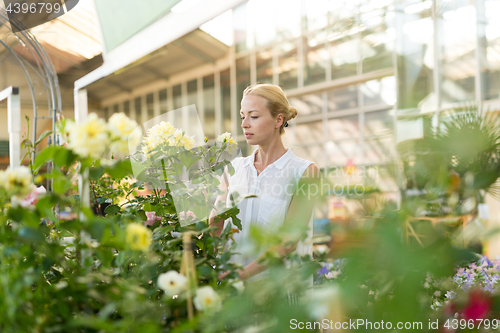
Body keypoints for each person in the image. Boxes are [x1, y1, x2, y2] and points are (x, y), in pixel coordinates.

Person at [209, 83, 321, 281]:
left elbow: (288, 241)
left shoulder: (305, 172)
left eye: (254, 116)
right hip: (233, 292)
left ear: (278, 120)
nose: (244, 124)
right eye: (242, 116)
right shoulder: (233, 169)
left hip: (280, 293)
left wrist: (242, 275)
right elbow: (216, 226)